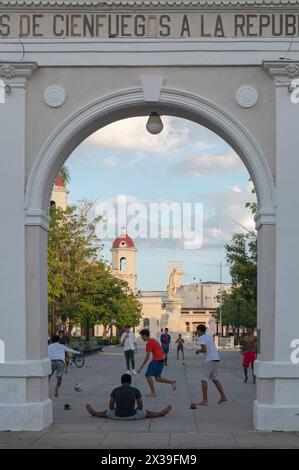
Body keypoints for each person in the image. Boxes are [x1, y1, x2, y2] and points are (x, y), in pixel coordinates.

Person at [86, 374, 172, 420]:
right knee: (147, 413)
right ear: (130, 382)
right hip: (133, 415)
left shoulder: (115, 390)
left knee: (105, 412)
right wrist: (135, 410)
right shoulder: (135, 390)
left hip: (117, 415)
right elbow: (140, 407)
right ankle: (161, 413)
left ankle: (94, 413)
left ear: (121, 381)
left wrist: (117, 409)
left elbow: (111, 407)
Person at [195, 324, 228, 406]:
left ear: (200, 331)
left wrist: (198, 351)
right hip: (216, 358)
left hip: (210, 359)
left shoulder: (201, 337)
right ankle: (223, 396)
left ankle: (205, 401)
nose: (196, 332)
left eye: (197, 331)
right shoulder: (209, 336)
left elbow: (204, 349)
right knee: (214, 378)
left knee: (203, 379)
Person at [137, 329, 176, 397]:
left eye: (142, 336)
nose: (141, 338)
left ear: (145, 335)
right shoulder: (153, 340)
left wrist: (141, 367)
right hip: (161, 359)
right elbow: (161, 350)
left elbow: (147, 357)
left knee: (148, 375)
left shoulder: (149, 343)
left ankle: (153, 392)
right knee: (157, 378)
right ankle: (172, 382)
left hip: (157, 360)